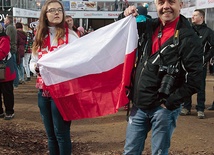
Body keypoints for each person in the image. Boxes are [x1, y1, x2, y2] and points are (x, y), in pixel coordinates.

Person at [119, 0, 203, 154]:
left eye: (171, 1)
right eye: (161, 2)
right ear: (155, 5)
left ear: (181, 4)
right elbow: (121, 31)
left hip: (163, 109)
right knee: (130, 151)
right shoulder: (149, 26)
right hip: (139, 104)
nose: (166, 6)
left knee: (159, 152)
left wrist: (170, 103)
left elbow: (196, 80)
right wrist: (124, 15)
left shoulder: (189, 37)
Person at [29, 0, 79, 154]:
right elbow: (32, 61)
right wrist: (35, 68)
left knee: (62, 134)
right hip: (43, 92)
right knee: (51, 136)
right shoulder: (40, 35)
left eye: (59, 10)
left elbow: (79, 61)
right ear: (45, 14)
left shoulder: (70, 36)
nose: (57, 12)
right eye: (52, 10)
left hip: (63, 91)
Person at [180, 9, 214, 119]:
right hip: (186, 64)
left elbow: (212, 48)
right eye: (192, 15)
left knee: (200, 86)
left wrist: (205, 59)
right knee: (186, 84)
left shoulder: (208, 32)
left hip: (200, 65)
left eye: (195, 15)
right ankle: (186, 107)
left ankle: (200, 109)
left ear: (201, 17)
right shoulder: (189, 30)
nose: (192, 17)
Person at [0, 23, 16, 120]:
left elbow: (2, 52)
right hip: (4, 70)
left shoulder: (4, 39)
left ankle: (9, 111)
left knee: (7, 93)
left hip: (6, 72)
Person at [4, 15, 18, 89]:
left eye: (5, 20)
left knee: (12, 67)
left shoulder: (9, 28)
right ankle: (16, 82)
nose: (4, 21)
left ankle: (15, 83)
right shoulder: (12, 27)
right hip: (13, 48)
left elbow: (7, 38)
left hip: (11, 49)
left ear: (8, 20)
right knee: (14, 66)